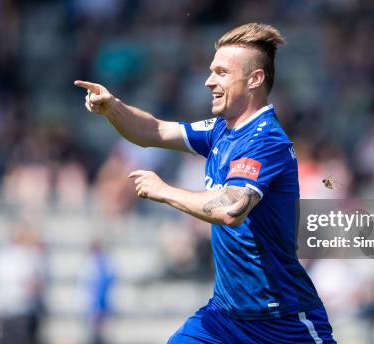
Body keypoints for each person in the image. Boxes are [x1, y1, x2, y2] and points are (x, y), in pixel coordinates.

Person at [75, 22, 336, 343]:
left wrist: (164, 191)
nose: (209, 81)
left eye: (222, 73)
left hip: (282, 322)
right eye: (212, 71)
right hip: (224, 317)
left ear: (255, 79)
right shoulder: (219, 130)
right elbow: (152, 131)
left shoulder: (265, 140)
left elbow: (231, 208)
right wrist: (112, 108)